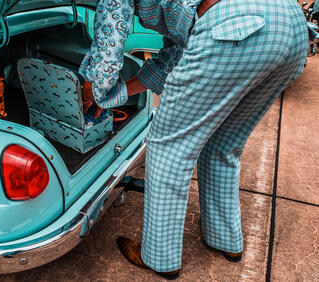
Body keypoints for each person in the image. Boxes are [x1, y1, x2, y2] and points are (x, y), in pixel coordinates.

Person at [79, 0, 308, 279]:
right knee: (224, 144)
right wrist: (115, 96)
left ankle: (159, 257)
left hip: (236, 24)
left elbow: (109, 38)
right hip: (290, 25)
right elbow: (172, 60)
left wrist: (95, 88)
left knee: (168, 146)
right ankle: (225, 238)